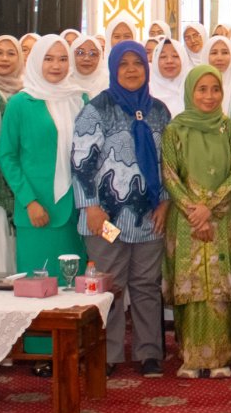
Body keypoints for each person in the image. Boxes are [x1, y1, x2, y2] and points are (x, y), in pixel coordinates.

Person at [72, 40, 171, 378]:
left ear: (146, 68)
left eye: (137, 63)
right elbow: (81, 162)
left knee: (146, 285)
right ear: (114, 69)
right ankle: (108, 353)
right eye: (124, 64)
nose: (131, 70)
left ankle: (149, 353)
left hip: (148, 217)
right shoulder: (97, 109)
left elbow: (169, 163)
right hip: (105, 218)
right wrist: (90, 207)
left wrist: (166, 202)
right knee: (108, 286)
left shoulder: (159, 111)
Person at [0, 35, 87, 368]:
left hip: (75, 209)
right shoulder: (21, 103)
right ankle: (41, 354)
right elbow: (7, 156)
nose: (56, 66)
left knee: (73, 285)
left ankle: (73, 349)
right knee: (39, 285)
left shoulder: (80, 98)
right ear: (36, 61)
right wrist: (29, 200)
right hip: (37, 211)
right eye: (48, 59)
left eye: (62, 59)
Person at [162, 65, 231, 379]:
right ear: (190, 92)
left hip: (222, 217)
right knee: (191, 286)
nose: (209, 96)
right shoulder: (175, 129)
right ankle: (190, 356)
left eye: (215, 89)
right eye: (202, 89)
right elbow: (170, 175)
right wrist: (193, 211)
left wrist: (208, 208)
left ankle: (222, 356)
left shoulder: (230, 128)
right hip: (186, 221)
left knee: (221, 286)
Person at [150, 38, 187, 116]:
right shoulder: (147, 93)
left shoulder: (192, 90)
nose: (169, 61)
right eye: (163, 56)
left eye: (175, 56)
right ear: (155, 61)